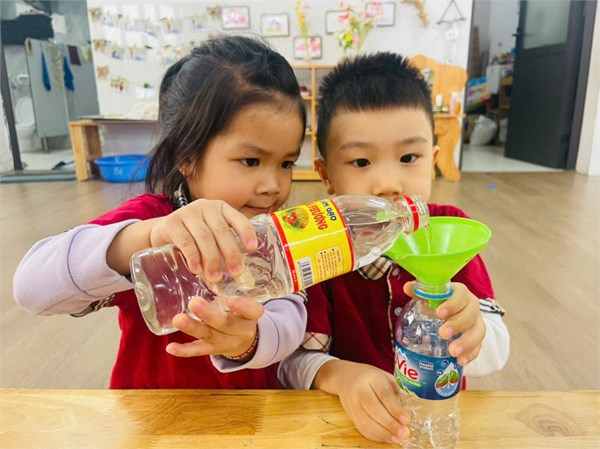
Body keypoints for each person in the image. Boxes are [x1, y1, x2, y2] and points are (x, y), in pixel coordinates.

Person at [13, 35, 308, 389]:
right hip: (153, 412)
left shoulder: (275, 232)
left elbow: (293, 320)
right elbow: (31, 289)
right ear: (186, 155)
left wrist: (251, 338)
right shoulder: (150, 221)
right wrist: (141, 239)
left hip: (254, 412)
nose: (273, 185)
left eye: (286, 163)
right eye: (251, 161)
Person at [278, 53, 510, 444]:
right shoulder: (321, 248)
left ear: (433, 161)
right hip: (347, 428)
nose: (388, 183)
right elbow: (292, 363)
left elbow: (496, 353)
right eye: (361, 161)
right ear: (326, 176)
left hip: (435, 425)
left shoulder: (451, 232)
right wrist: (340, 376)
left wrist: (472, 330)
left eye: (408, 158)